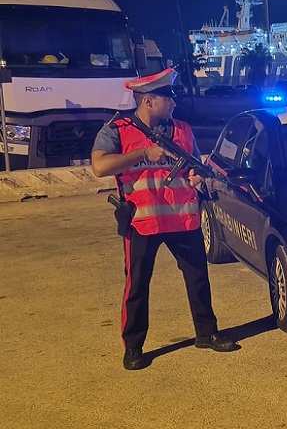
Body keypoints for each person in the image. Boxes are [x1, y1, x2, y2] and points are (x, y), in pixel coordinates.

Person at [91, 68, 239, 370]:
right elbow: (100, 166)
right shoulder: (116, 129)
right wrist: (143, 153)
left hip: (182, 219)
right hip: (142, 221)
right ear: (148, 100)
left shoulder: (182, 130)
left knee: (198, 279)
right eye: (168, 97)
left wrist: (197, 177)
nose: (174, 102)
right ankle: (133, 346)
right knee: (137, 285)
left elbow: (194, 165)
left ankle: (207, 333)